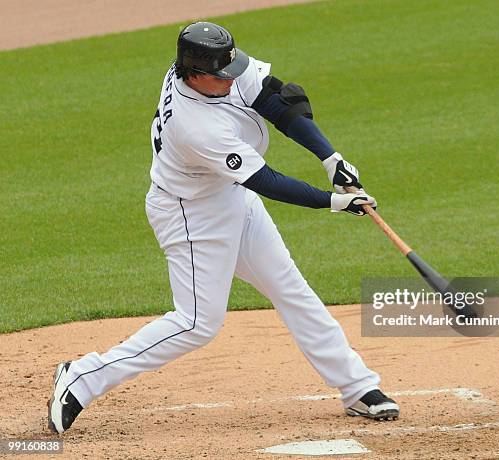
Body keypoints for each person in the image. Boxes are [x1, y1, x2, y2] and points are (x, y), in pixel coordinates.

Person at [48, 21, 399, 434]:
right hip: (192, 215)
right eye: (221, 77)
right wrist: (334, 201)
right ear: (194, 75)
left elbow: (277, 100)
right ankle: (82, 377)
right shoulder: (195, 125)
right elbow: (264, 181)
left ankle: (357, 387)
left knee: (290, 288)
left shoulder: (211, 69)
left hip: (230, 197)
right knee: (196, 323)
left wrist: (330, 157)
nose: (232, 82)